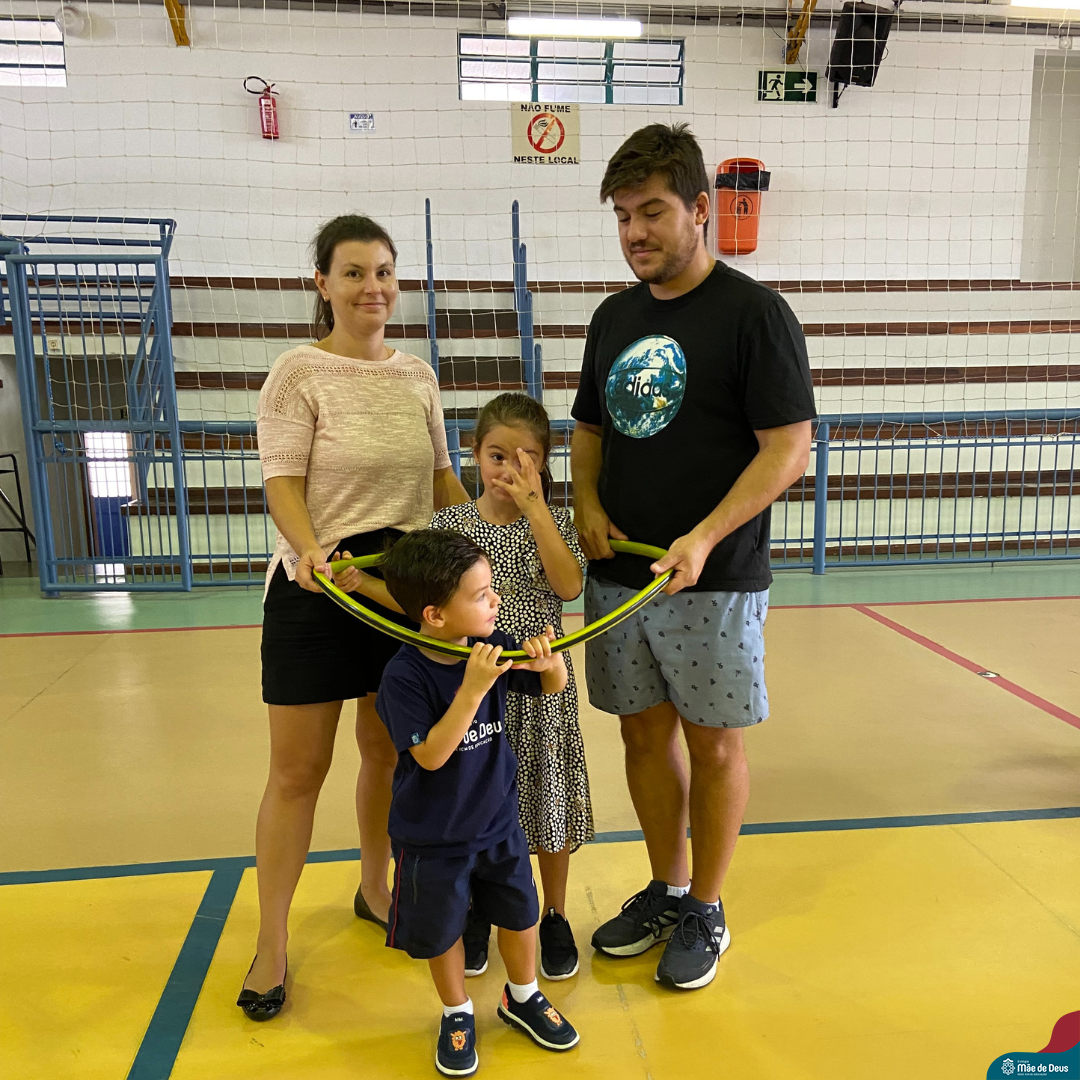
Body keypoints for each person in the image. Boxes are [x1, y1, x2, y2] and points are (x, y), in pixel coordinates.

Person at [570, 123, 817, 991]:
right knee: (642, 735)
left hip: (713, 580)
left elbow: (788, 447)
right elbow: (589, 430)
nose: (635, 232)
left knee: (713, 748)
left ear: (700, 209)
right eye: (622, 216)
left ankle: (706, 906)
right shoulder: (613, 318)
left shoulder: (755, 315)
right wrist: (587, 503)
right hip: (620, 577)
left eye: (652, 212)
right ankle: (667, 887)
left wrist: (705, 536)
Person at [238, 214, 468, 1020]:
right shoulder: (296, 373)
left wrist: (491, 540)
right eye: (355, 272)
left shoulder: (418, 377)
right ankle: (271, 942)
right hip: (318, 586)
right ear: (323, 284)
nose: (374, 287)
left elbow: (441, 481)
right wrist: (311, 554)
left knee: (388, 750)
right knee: (297, 773)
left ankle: (376, 887)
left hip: (401, 591)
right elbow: (281, 481)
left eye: (384, 272)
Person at [375, 529, 580, 1077]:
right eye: (482, 594)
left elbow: (552, 688)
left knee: (520, 913)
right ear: (435, 615)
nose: (496, 601)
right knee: (442, 929)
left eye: (492, 590)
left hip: (498, 822)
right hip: (433, 837)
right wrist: (471, 689)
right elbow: (431, 756)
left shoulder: (490, 645)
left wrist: (550, 663)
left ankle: (523, 994)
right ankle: (456, 1010)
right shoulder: (404, 676)